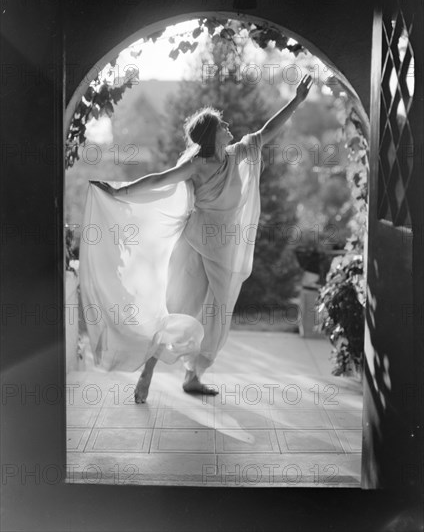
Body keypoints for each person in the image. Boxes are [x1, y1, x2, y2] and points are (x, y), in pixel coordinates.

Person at [84, 74, 312, 403]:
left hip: (223, 250)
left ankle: (193, 377)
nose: (229, 127)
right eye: (222, 125)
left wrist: (297, 100)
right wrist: (120, 191)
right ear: (211, 134)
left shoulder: (238, 155)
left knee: (217, 317)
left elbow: (266, 132)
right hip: (192, 245)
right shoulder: (197, 164)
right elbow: (159, 179)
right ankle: (147, 374)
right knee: (180, 310)